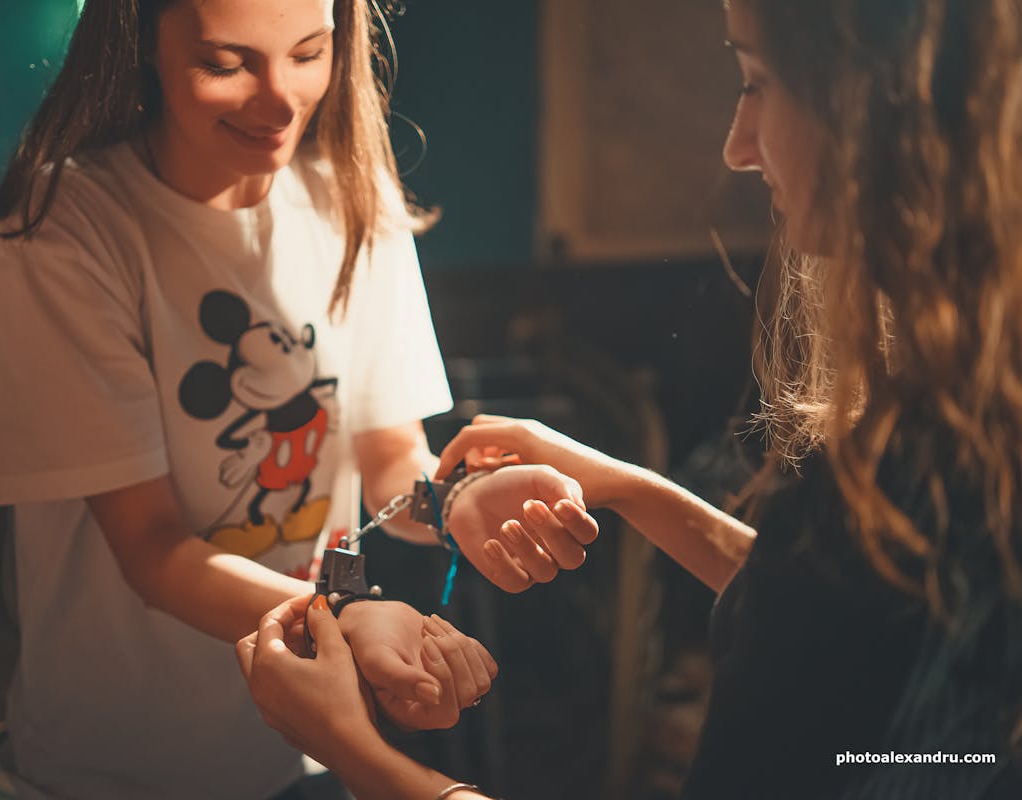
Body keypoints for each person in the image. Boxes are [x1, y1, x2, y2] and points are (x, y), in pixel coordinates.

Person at [237, 0, 1022, 797]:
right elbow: (841, 637)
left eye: (756, 83)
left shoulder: (904, 478)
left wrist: (354, 750)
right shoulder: (965, 439)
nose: (738, 148)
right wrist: (625, 486)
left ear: (871, 108)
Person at [0, 0, 599, 797]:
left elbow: (387, 458)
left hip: (305, 751)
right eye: (227, 64)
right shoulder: (65, 230)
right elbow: (153, 549)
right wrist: (345, 612)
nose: (280, 101)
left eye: (309, 53)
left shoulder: (351, 201)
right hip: (112, 765)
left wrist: (460, 501)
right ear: (141, 43)